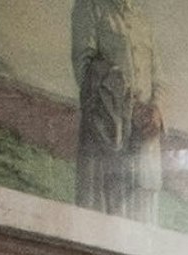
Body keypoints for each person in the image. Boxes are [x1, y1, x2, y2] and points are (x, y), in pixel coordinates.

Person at [71, 0, 165, 225]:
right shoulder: (90, 8)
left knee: (141, 227)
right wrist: (130, 108)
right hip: (106, 134)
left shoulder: (142, 18)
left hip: (143, 141)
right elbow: (85, 71)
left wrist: (156, 112)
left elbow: (159, 78)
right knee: (101, 223)